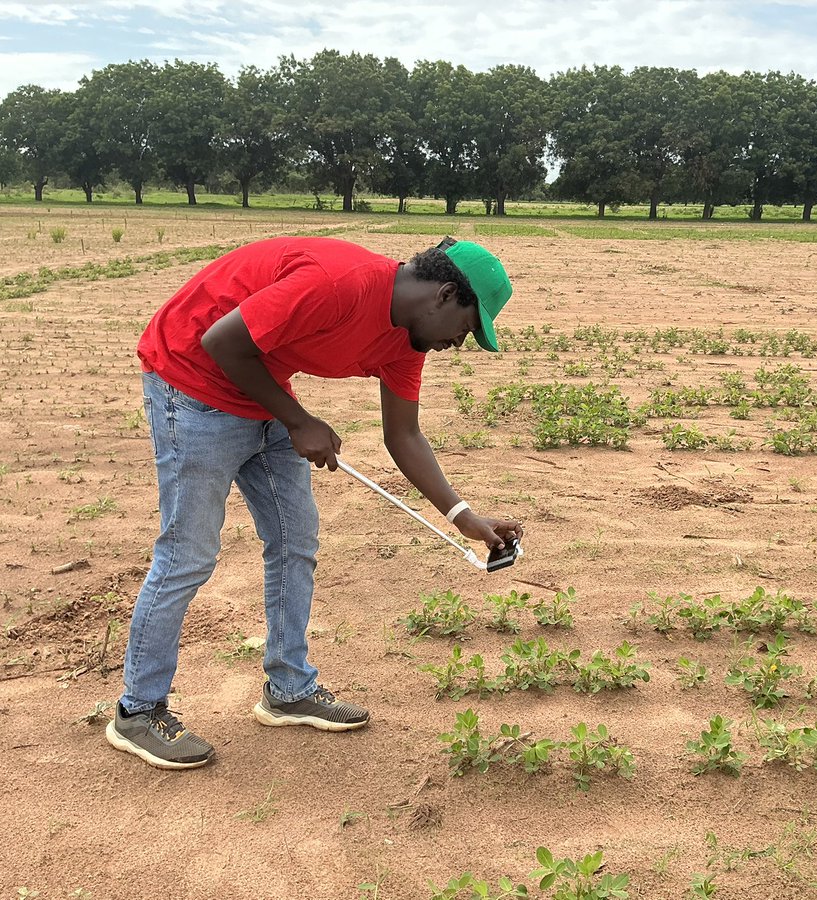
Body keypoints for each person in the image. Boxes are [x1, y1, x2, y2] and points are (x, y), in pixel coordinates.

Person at [105, 235, 524, 770]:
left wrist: (463, 517)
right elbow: (221, 341)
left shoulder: (407, 341)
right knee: (188, 554)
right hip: (192, 382)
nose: (458, 344)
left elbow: (405, 435)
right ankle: (138, 711)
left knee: (294, 539)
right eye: (465, 330)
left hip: (261, 389)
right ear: (443, 295)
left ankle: (288, 688)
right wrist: (299, 420)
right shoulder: (338, 283)